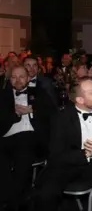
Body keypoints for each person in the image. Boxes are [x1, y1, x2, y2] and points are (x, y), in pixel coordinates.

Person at [33, 77, 92, 211]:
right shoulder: (61, 117)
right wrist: (85, 153)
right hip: (69, 163)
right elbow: (56, 154)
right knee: (46, 191)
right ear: (80, 100)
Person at [0, 66, 56, 210]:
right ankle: (11, 197)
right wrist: (15, 115)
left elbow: (52, 114)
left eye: (21, 76)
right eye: (14, 77)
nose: (18, 80)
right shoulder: (3, 96)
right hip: (6, 137)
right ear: (9, 79)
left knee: (23, 155)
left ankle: (14, 203)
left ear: (28, 78)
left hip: (31, 137)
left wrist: (33, 110)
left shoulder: (40, 93)